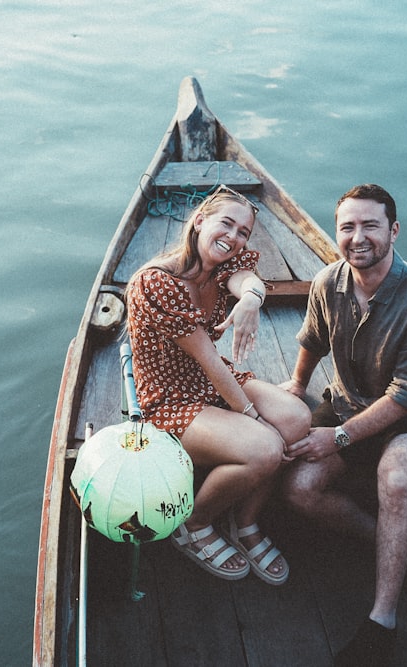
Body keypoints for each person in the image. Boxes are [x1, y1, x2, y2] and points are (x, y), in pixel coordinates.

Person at [280, 184, 407, 665]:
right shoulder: (325, 283)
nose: (358, 237)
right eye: (347, 227)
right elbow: (313, 339)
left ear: (393, 230)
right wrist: (297, 383)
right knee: (299, 489)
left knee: (395, 477)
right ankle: (396, 543)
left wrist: (337, 437)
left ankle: (383, 620)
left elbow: (406, 397)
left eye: (370, 225)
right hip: (346, 404)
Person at [125, 185, 311, 583]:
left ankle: (244, 523)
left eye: (244, 230)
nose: (234, 236)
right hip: (170, 399)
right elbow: (209, 359)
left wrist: (251, 299)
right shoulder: (156, 284)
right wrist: (252, 417)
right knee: (265, 448)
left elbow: (247, 278)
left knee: (296, 419)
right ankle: (194, 524)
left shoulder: (221, 266)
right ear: (199, 222)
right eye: (226, 223)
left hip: (212, 383)